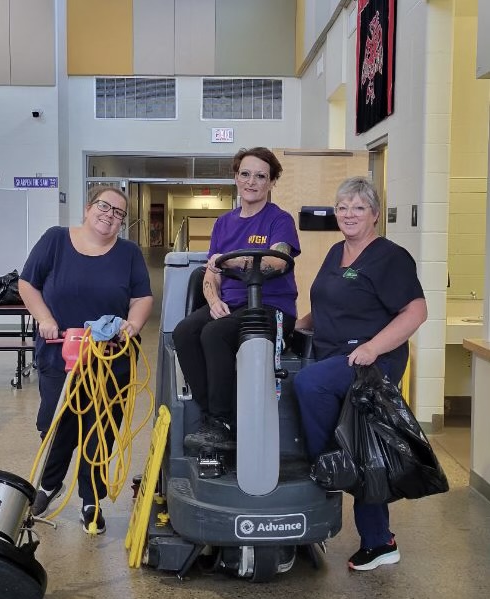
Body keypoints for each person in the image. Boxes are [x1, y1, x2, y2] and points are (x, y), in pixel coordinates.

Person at [293, 176, 427, 571]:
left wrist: (372, 348)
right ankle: (379, 541)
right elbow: (326, 305)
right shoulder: (337, 252)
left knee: (309, 384)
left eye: (358, 207)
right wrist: (297, 327)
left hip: (371, 361)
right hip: (333, 353)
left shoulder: (389, 256)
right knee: (364, 444)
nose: (349, 214)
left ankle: (327, 464)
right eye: (342, 207)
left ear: (374, 215)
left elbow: (416, 311)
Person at [19, 186, 153, 534]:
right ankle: (49, 485)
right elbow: (27, 285)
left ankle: (90, 499)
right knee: (55, 423)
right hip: (60, 353)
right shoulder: (55, 240)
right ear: (87, 208)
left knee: (101, 429)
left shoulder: (129, 254)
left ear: (122, 222)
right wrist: (45, 320)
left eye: (118, 213)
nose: (109, 215)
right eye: (104, 206)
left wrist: (132, 326)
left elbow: (142, 298)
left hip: (111, 359)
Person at [173, 147, 300, 450]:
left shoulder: (279, 220)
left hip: (270, 308)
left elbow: (278, 261)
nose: (251, 181)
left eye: (260, 176)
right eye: (245, 174)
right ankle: (214, 419)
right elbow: (210, 273)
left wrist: (233, 261)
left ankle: (221, 420)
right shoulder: (223, 224)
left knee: (215, 333)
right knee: (185, 331)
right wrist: (213, 299)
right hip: (232, 305)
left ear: (271, 183)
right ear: (236, 177)